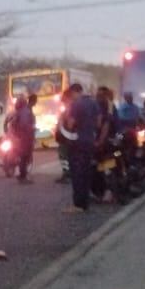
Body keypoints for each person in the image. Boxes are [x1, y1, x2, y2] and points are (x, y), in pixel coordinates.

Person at [61, 83, 101, 213]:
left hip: (77, 142)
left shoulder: (75, 104)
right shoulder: (93, 102)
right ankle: (85, 203)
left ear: (74, 92)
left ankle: (78, 205)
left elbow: (70, 124)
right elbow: (99, 122)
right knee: (86, 172)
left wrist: (66, 117)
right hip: (90, 140)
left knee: (77, 173)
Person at [10, 93, 38, 182]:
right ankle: (23, 176)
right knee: (24, 157)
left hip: (20, 137)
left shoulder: (19, 111)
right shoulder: (25, 111)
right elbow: (25, 124)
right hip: (25, 137)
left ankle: (22, 175)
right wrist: (32, 129)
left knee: (23, 156)